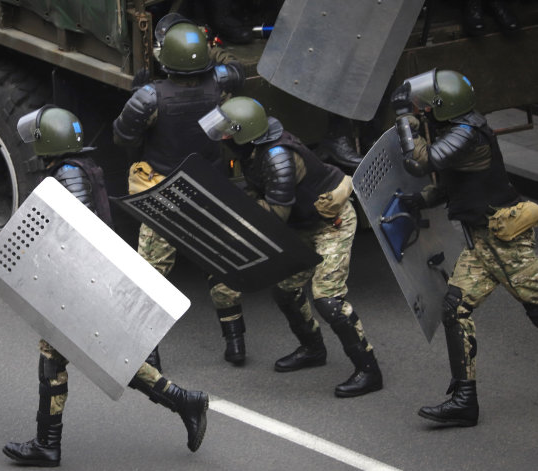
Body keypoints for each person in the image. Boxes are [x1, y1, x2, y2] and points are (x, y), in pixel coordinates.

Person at [3, 106, 209, 467]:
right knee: (105, 360)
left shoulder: (68, 175)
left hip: (81, 285)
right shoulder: (77, 169)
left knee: (60, 361)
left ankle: (47, 445)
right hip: (86, 283)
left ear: (49, 142)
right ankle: (183, 401)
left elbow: (75, 236)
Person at [198, 96, 384, 397]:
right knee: (285, 290)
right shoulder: (255, 149)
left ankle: (368, 370)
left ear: (245, 133)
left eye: (228, 133)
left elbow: (275, 215)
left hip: (329, 224)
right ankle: (313, 349)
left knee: (329, 300)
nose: (224, 138)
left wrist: (232, 208)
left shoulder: (277, 156)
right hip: (302, 223)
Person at [390, 69, 538, 426]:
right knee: (455, 310)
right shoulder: (458, 132)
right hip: (481, 243)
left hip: (507, 241)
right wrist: (420, 200)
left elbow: (419, 161)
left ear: (443, 105)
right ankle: (463, 402)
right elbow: (453, 184)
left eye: (427, 104)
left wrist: (403, 118)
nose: (422, 108)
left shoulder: (468, 134)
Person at [113, 14, 245, 355]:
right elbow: (236, 69)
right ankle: (235, 342)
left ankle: (148, 352)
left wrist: (135, 92)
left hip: (164, 193)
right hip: (210, 188)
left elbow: (122, 135)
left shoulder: (150, 97)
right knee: (221, 267)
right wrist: (209, 52)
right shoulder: (220, 85)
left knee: (151, 277)